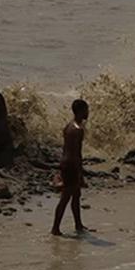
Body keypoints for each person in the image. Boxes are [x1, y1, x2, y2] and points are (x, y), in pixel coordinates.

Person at [51, 99, 89, 236]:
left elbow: (66, 149)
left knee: (76, 195)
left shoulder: (69, 126)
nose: (88, 113)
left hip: (66, 162)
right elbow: (77, 153)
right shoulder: (78, 130)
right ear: (80, 111)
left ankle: (78, 225)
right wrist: (80, 173)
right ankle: (55, 228)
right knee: (65, 197)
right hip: (71, 165)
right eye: (86, 110)